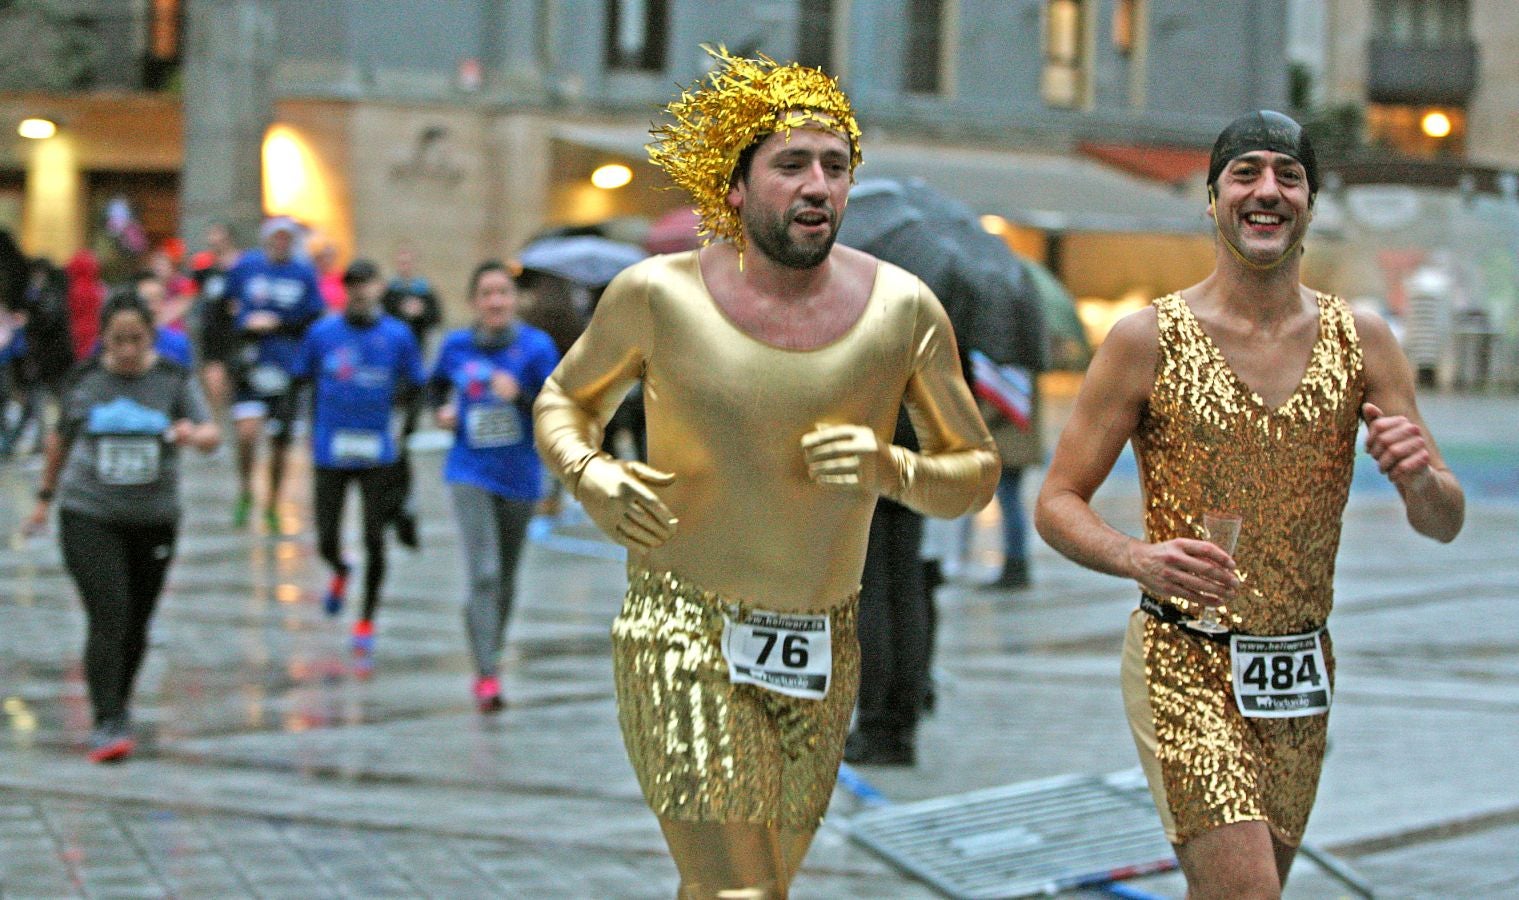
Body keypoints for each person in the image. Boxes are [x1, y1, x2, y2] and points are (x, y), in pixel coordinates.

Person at [533, 48, 998, 898]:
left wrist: (888, 465)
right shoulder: (654, 295)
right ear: (736, 187)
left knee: (748, 886)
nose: (817, 184)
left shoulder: (903, 309)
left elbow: (973, 473)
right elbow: (562, 401)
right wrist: (591, 474)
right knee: (741, 891)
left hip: (819, 645)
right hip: (682, 633)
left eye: (835, 166)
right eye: (791, 165)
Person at [1034, 110, 1465, 899]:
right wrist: (1137, 556)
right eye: (1245, 173)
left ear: (1309, 201)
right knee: (1247, 893)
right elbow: (1056, 501)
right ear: (1211, 198)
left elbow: (1443, 520)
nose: (1266, 190)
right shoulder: (1146, 340)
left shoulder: (1363, 340)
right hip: (1183, 657)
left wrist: (1419, 481)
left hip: (1298, 669)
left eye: (1287, 175)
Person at [24, 292, 219, 762]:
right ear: (103, 341)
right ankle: (106, 718)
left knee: (137, 621)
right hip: (89, 513)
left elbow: (211, 433)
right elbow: (59, 441)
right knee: (109, 611)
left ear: (152, 337)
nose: (127, 350)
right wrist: (44, 500)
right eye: (117, 341)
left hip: (153, 519)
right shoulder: (86, 380)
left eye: (136, 339)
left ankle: (119, 704)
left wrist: (195, 436)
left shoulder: (173, 379)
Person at [431, 261, 559, 711]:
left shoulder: (536, 348)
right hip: (469, 470)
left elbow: (558, 409)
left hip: (520, 476)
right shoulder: (456, 346)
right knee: (483, 572)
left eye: (502, 293)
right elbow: (434, 388)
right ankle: (486, 672)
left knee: (504, 578)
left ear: (514, 300)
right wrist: (443, 412)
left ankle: (493, 649)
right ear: (473, 302)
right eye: (486, 293)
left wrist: (520, 397)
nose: (495, 301)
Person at [289, 259, 424, 666]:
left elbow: (417, 385)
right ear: (344, 291)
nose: (359, 292)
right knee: (327, 536)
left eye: (366, 284)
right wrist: (289, 425)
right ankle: (340, 569)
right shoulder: (322, 333)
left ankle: (365, 619)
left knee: (373, 537)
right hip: (330, 448)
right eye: (352, 285)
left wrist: (407, 432)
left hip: (377, 452)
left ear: (380, 288)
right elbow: (299, 380)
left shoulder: (397, 336)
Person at [224, 217, 324, 532]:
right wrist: (241, 325)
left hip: (287, 367)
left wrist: (278, 325)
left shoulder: (303, 273)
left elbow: (314, 317)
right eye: (276, 238)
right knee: (247, 433)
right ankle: (245, 490)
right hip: (252, 364)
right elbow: (226, 303)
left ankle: (272, 502)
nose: (281, 243)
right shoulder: (248, 267)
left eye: (286, 239)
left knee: (280, 444)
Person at [382, 247, 444, 548]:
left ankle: (400, 505)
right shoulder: (390, 294)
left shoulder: (424, 291)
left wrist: (420, 314)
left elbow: (436, 318)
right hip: (390, 377)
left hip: (412, 374)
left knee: (402, 440)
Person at [190, 223, 242, 418]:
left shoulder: (242, 264)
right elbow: (191, 294)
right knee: (213, 381)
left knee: (233, 382)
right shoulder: (204, 266)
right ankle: (216, 421)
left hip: (237, 331)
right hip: (212, 330)